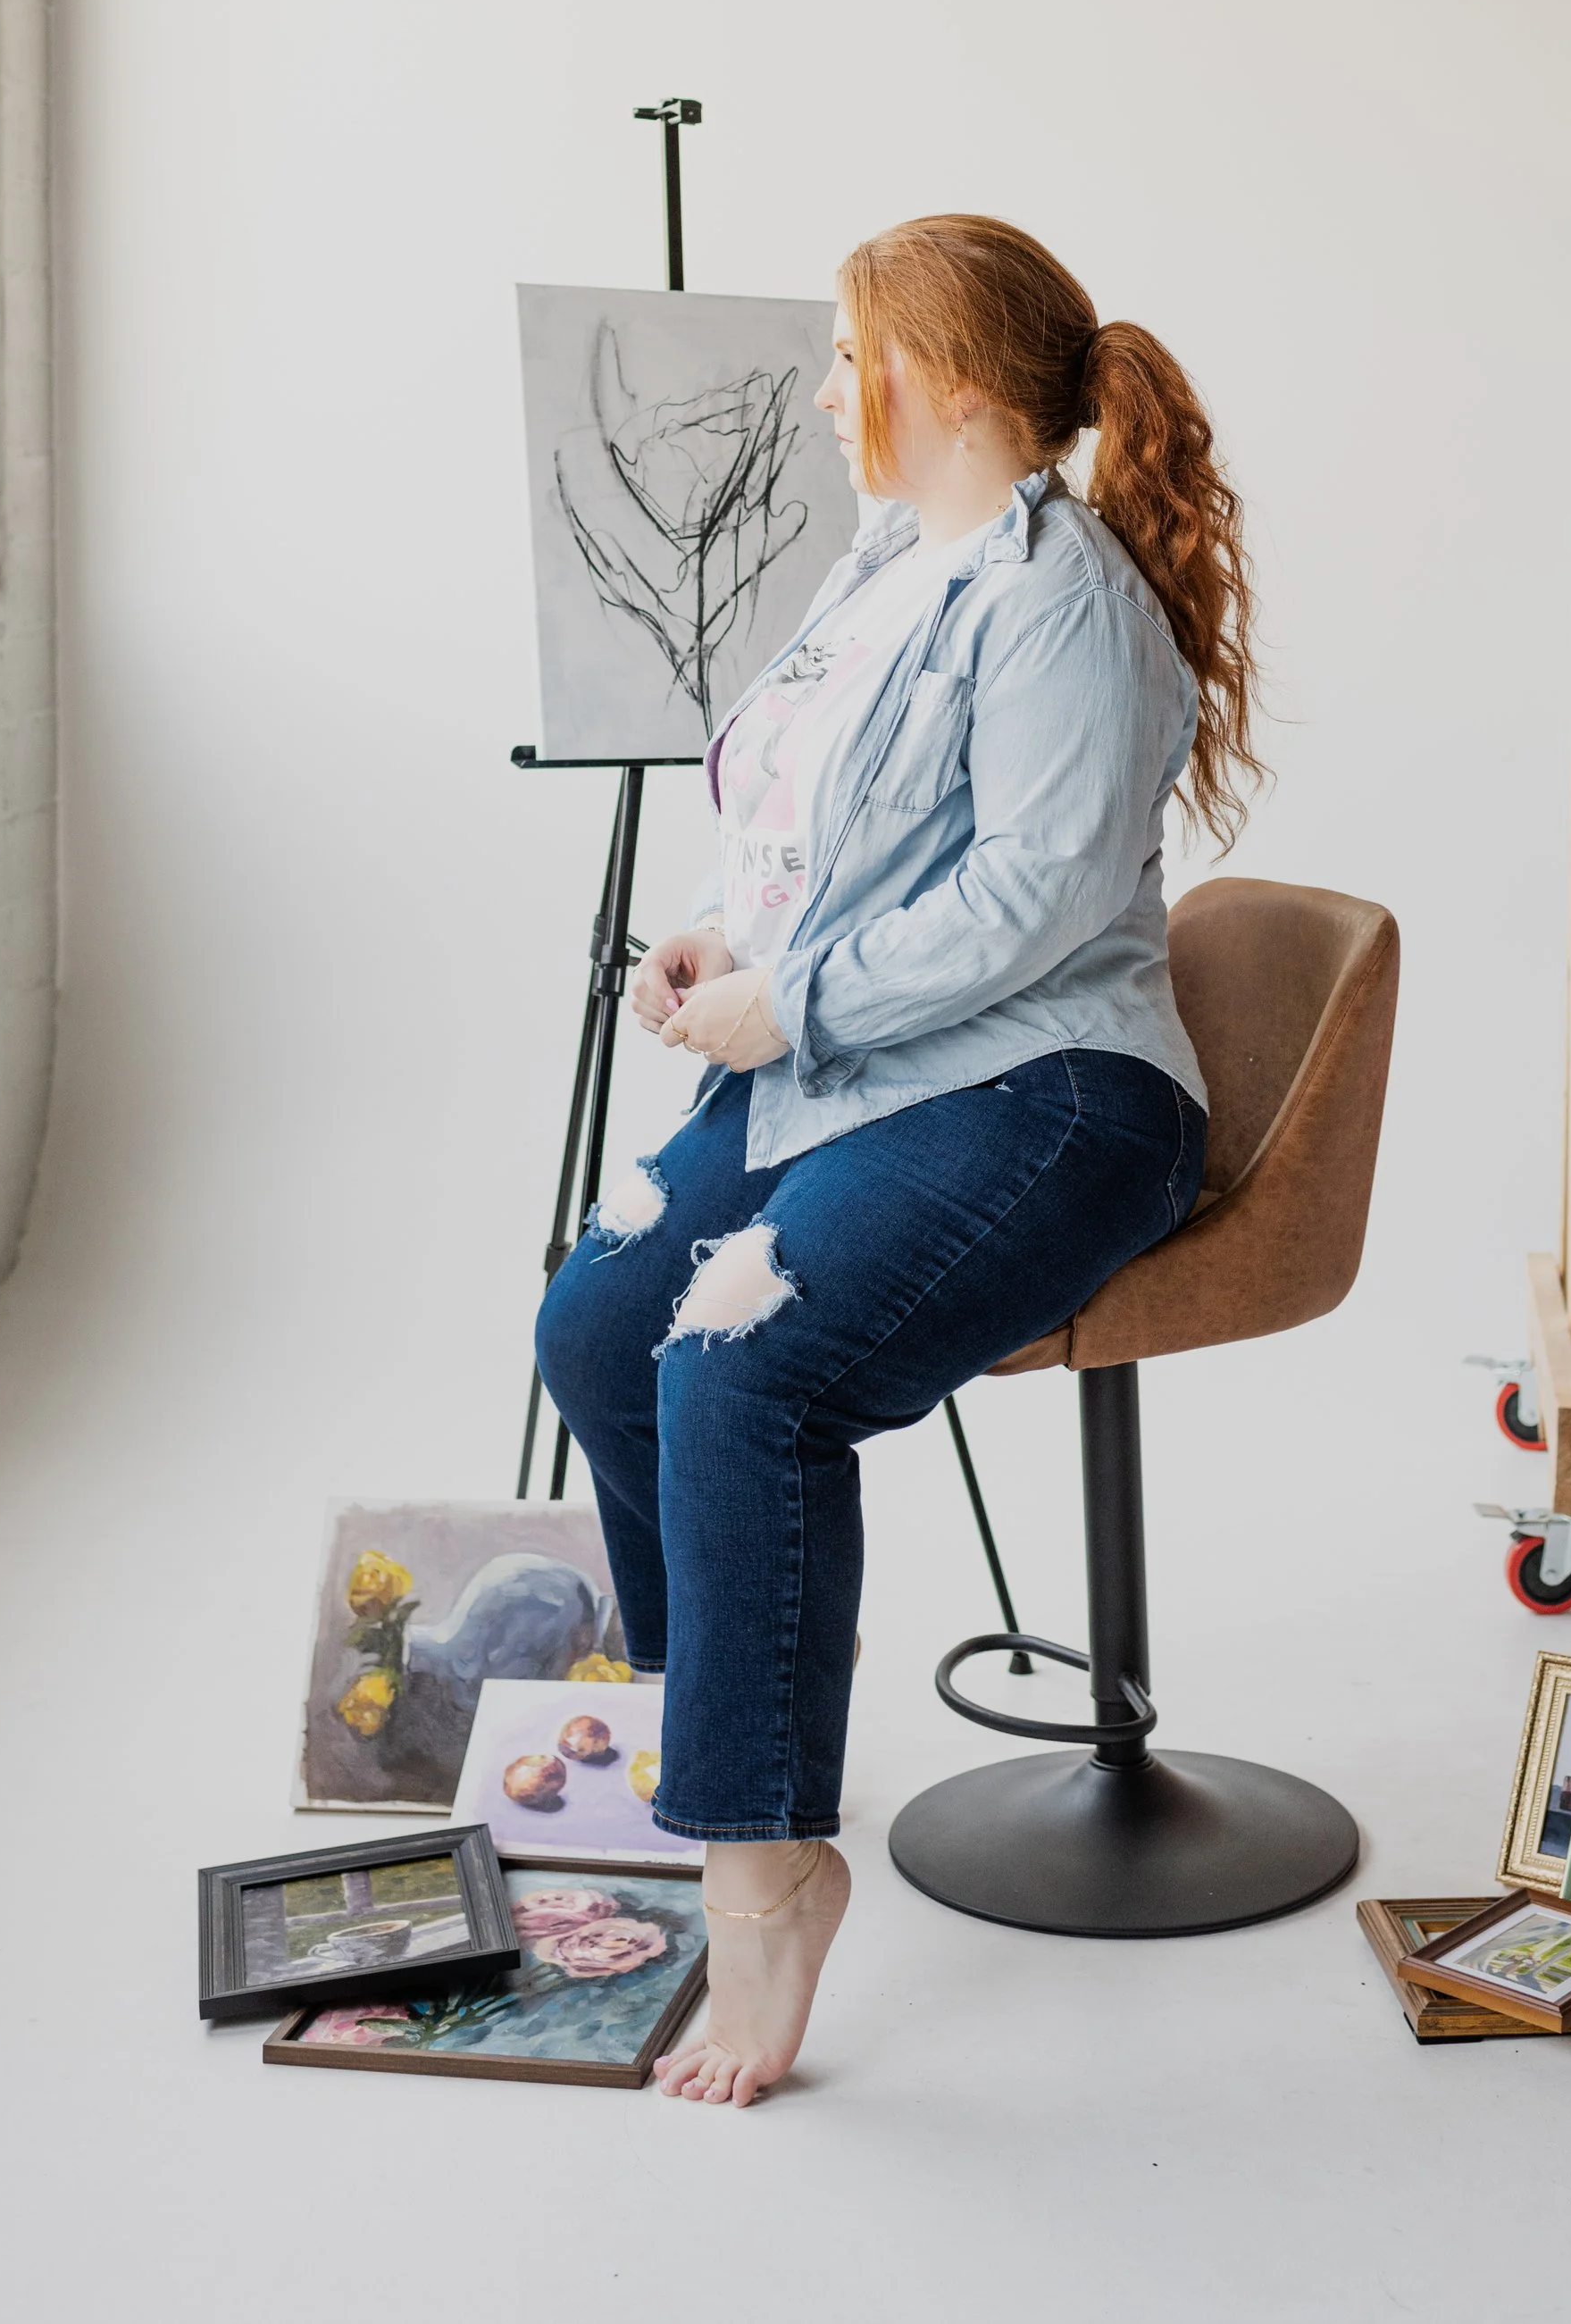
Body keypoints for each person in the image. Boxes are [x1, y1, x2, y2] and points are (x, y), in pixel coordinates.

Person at [533, 214, 1259, 2106]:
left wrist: (796, 1003)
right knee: (603, 1327)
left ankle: (759, 1859)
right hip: (852, 1066)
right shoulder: (877, 574)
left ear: (932, 377)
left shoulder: (1062, 594)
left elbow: (1028, 896)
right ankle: (737, 1759)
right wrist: (714, 941)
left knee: (735, 1355)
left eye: (850, 350)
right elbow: (785, 829)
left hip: (1049, 1096)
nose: (827, 386)